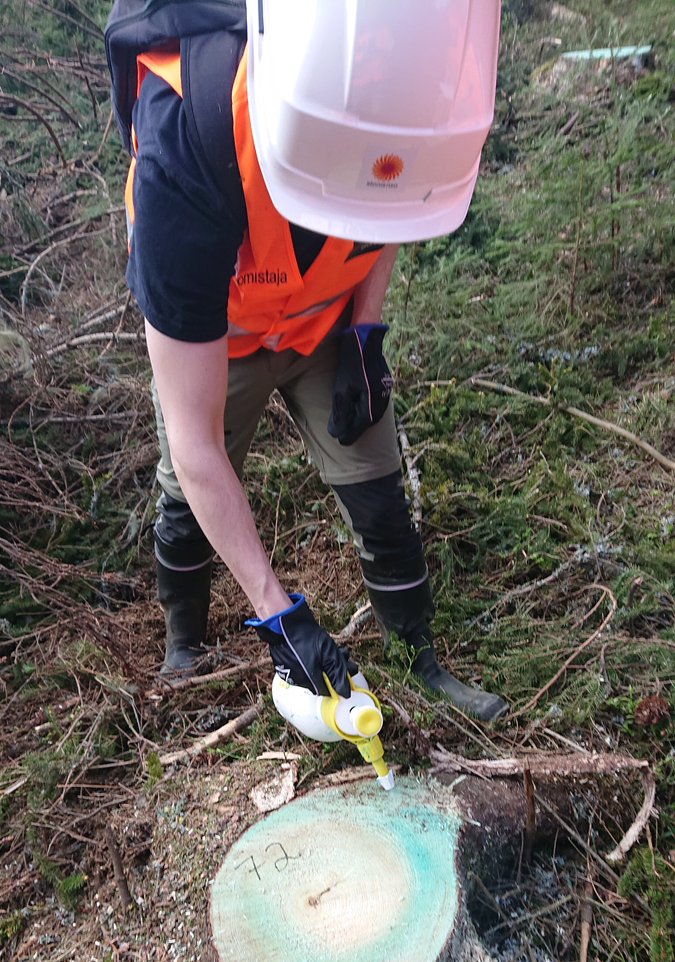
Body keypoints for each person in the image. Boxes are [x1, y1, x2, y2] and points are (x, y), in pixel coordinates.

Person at [120, 1, 508, 722]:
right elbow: (197, 445)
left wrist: (364, 332)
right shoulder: (188, 142)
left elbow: (392, 206)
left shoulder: (404, 84)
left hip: (325, 324)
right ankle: (184, 648)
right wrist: (280, 614)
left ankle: (415, 652)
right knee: (187, 491)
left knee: (376, 485)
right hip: (220, 339)